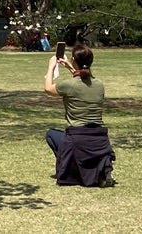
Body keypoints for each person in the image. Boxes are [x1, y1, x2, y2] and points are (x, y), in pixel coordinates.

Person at [43, 43, 116, 187]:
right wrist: (71, 67)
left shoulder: (69, 85)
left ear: (74, 60)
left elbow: (48, 89)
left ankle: (72, 167)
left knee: (51, 134)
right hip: (99, 139)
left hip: (77, 138)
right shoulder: (99, 84)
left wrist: (51, 67)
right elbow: (84, 81)